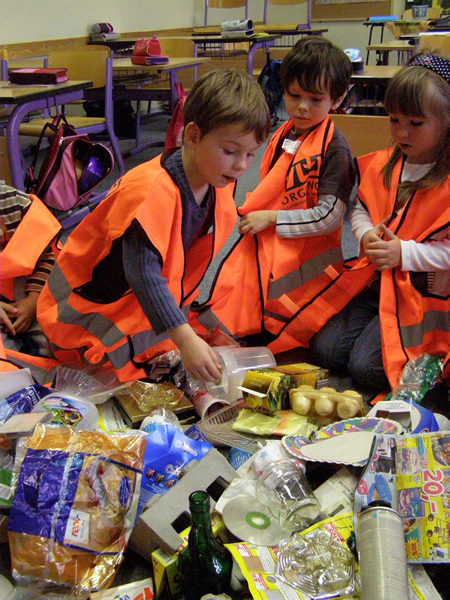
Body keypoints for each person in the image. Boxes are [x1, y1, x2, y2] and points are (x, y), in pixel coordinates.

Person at [37, 68, 271, 383]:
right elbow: (144, 275)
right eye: (230, 151)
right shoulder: (150, 191)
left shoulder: (216, 181)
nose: (242, 165)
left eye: (250, 154)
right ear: (193, 136)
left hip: (134, 306)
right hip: (81, 316)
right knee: (137, 377)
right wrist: (186, 340)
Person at [196, 37, 356, 353]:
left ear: (336, 100)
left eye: (315, 99)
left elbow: (329, 216)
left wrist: (272, 219)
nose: (302, 106)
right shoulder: (284, 132)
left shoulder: (335, 149)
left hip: (306, 265)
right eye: (294, 95)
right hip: (272, 251)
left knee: (298, 334)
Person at [309, 52, 450, 391]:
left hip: (423, 299)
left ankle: (434, 359)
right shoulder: (385, 164)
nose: (401, 132)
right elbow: (360, 208)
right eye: (393, 120)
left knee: (368, 368)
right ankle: (381, 332)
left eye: (415, 123)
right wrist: (366, 232)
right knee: (325, 349)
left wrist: (405, 253)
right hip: (377, 285)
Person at [0, 184, 60, 357]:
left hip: (32, 292)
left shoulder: (15, 203)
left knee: (54, 343)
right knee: (8, 356)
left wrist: (33, 301)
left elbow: (46, 255)